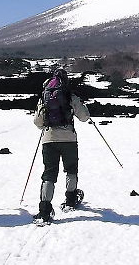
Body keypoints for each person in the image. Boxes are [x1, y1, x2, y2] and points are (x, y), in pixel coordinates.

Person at [33, 67, 90, 222]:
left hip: (49, 139)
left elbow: (37, 122)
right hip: (69, 140)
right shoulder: (69, 95)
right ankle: (71, 199)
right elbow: (84, 117)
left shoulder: (44, 96)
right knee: (71, 169)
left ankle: (45, 209)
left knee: (49, 173)